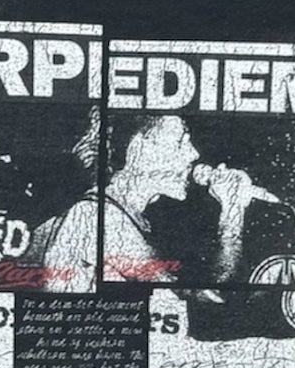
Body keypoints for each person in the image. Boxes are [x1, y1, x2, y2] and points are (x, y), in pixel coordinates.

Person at [30, 112, 257, 289]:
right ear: (137, 150)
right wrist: (232, 211)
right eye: (180, 142)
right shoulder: (97, 218)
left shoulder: (115, 215)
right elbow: (202, 300)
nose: (194, 154)